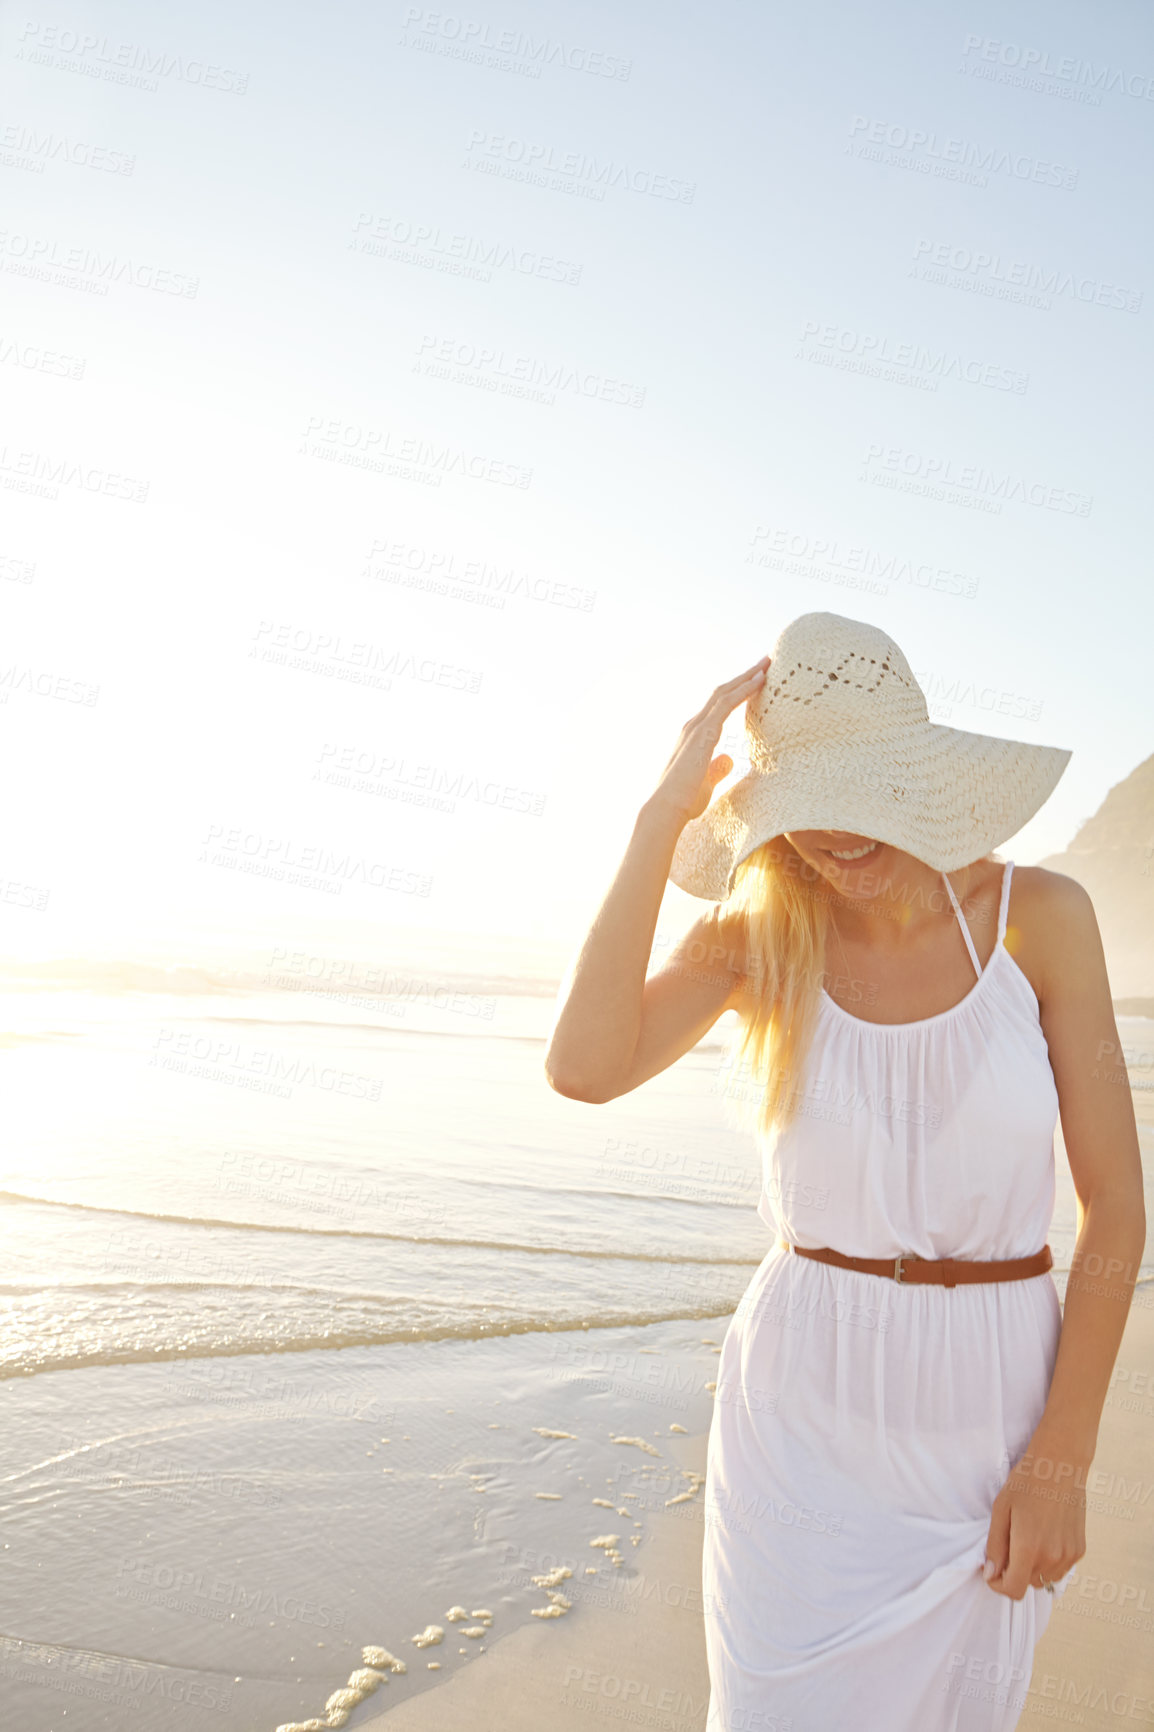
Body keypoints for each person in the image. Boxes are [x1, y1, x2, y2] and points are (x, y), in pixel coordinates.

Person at [544, 612, 1146, 1732]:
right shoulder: (754, 935)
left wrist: (1064, 1458)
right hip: (800, 1408)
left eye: (857, 792)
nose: (829, 835)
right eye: (801, 803)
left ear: (914, 778)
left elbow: (1114, 1207)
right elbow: (583, 1066)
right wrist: (659, 819)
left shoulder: (1038, 920)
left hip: (992, 1405)